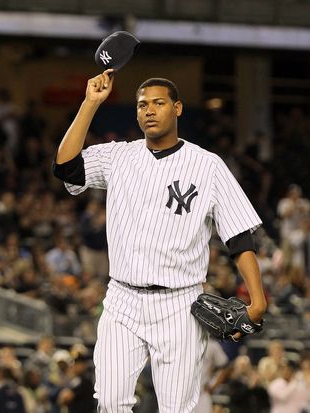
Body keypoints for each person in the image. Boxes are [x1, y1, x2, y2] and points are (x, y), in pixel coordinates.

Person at [52, 69, 267, 412]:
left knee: (176, 408)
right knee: (109, 401)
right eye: (141, 105)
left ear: (178, 108)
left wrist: (258, 300)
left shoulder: (207, 165)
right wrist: (90, 103)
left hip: (180, 304)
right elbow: (66, 167)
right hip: (122, 298)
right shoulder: (119, 156)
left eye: (158, 103)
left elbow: (239, 237)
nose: (148, 110)